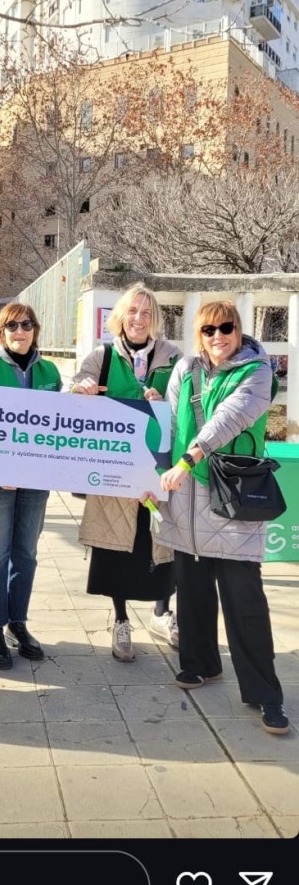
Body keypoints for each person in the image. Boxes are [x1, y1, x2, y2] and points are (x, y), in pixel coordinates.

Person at [150, 300, 289, 735]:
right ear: (199, 333)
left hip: (232, 499)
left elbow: (229, 420)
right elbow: (169, 426)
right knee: (191, 592)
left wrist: (188, 460)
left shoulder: (257, 371)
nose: (217, 337)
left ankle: (265, 694)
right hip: (183, 502)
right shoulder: (185, 369)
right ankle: (199, 664)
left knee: (244, 602)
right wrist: (152, 478)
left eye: (226, 328)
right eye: (208, 330)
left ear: (239, 329)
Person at [71, 284, 181, 662]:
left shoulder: (173, 358)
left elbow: (188, 408)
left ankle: (162, 614)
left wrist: (165, 402)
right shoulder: (102, 356)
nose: (138, 319)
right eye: (132, 312)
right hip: (114, 473)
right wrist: (81, 389)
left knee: (163, 543)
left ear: (155, 320)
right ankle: (120, 621)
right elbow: (73, 394)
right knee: (117, 546)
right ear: (120, 316)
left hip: (159, 470)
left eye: (146, 313)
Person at [0, 303, 62, 669]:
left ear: (35, 329)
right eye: (11, 327)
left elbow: (62, 423)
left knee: (26, 551)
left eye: (25, 325)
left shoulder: (50, 370)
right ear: (2, 333)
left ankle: (16, 623)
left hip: (36, 479)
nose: (19, 332)